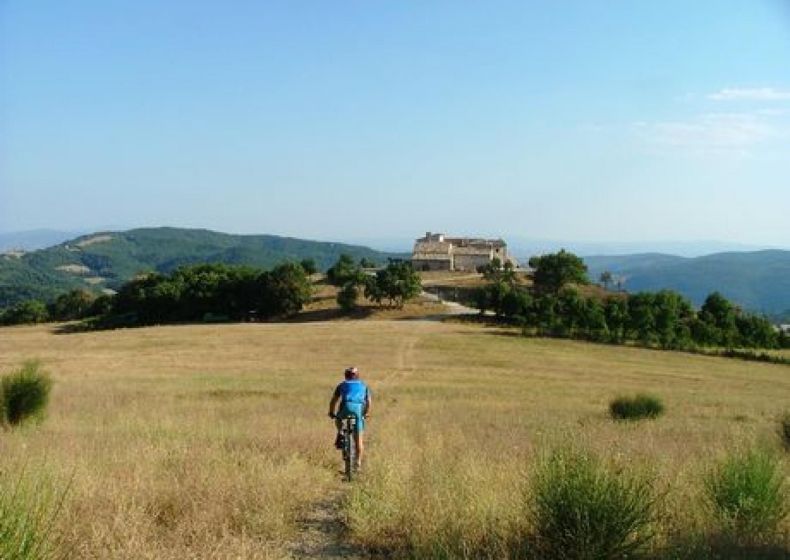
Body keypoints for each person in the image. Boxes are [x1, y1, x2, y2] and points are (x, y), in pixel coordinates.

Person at [328, 366, 371, 470]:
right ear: (357, 376)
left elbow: (334, 400)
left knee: (338, 418)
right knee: (359, 440)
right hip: (358, 409)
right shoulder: (364, 386)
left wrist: (331, 412)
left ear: (346, 376)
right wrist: (366, 413)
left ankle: (341, 431)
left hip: (346, 406)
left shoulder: (342, 385)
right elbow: (369, 401)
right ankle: (358, 464)